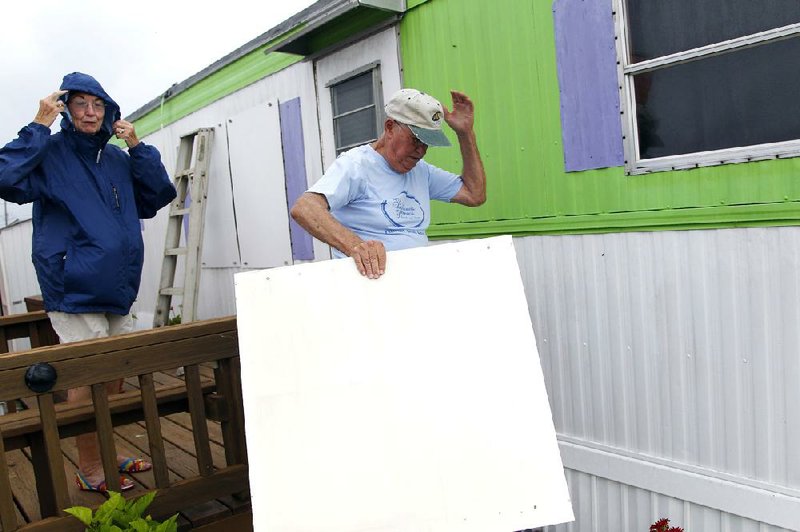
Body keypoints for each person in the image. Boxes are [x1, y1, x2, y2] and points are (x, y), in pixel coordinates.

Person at [0, 72, 177, 493]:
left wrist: (136, 146)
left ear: (109, 110)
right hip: (71, 283)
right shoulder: (49, 150)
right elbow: (5, 179)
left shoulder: (117, 157)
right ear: (65, 109)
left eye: (98, 104)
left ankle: (105, 451)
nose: (91, 112)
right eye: (80, 103)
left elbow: (157, 196)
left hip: (118, 283)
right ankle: (89, 466)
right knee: (87, 373)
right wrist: (39, 125)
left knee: (114, 371)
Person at [291, 88, 486, 279]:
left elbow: (474, 194)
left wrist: (465, 134)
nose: (421, 151)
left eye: (427, 143)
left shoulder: (421, 171)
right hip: (370, 286)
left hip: (413, 283)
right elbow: (305, 208)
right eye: (416, 139)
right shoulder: (357, 166)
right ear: (390, 127)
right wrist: (357, 246)